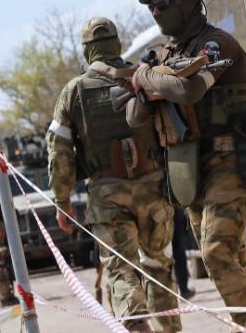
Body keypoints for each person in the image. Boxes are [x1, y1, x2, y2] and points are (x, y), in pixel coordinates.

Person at [131, 0, 246, 333]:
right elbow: (132, 116)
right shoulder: (166, 56)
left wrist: (145, 77)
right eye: (151, 6)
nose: (157, 12)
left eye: (165, 2)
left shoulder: (216, 44)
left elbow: (189, 89)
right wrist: (149, 89)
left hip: (230, 162)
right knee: (231, 256)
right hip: (189, 170)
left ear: (190, 1)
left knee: (216, 252)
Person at [47, 17, 179, 333]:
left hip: (108, 197)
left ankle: (136, 328)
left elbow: (60, 153)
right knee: (158, 263)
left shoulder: (74, 91)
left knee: (122, 270)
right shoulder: (143, 77)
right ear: (117, 44)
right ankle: (169, 328)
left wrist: (62, 202)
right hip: (153, 190)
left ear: (87, 51)